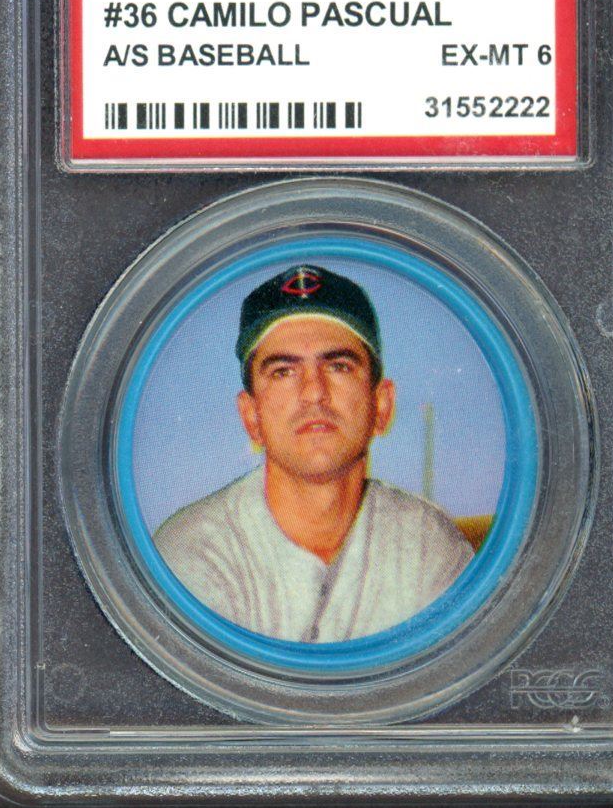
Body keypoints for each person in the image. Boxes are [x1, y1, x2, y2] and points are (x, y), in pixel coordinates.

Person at [154, 264, 473, 642]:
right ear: (251, 417)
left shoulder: (428, 547)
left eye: (338, 366)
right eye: (283, 371)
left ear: (382, 405)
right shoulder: (193, 552)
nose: (314, 392)